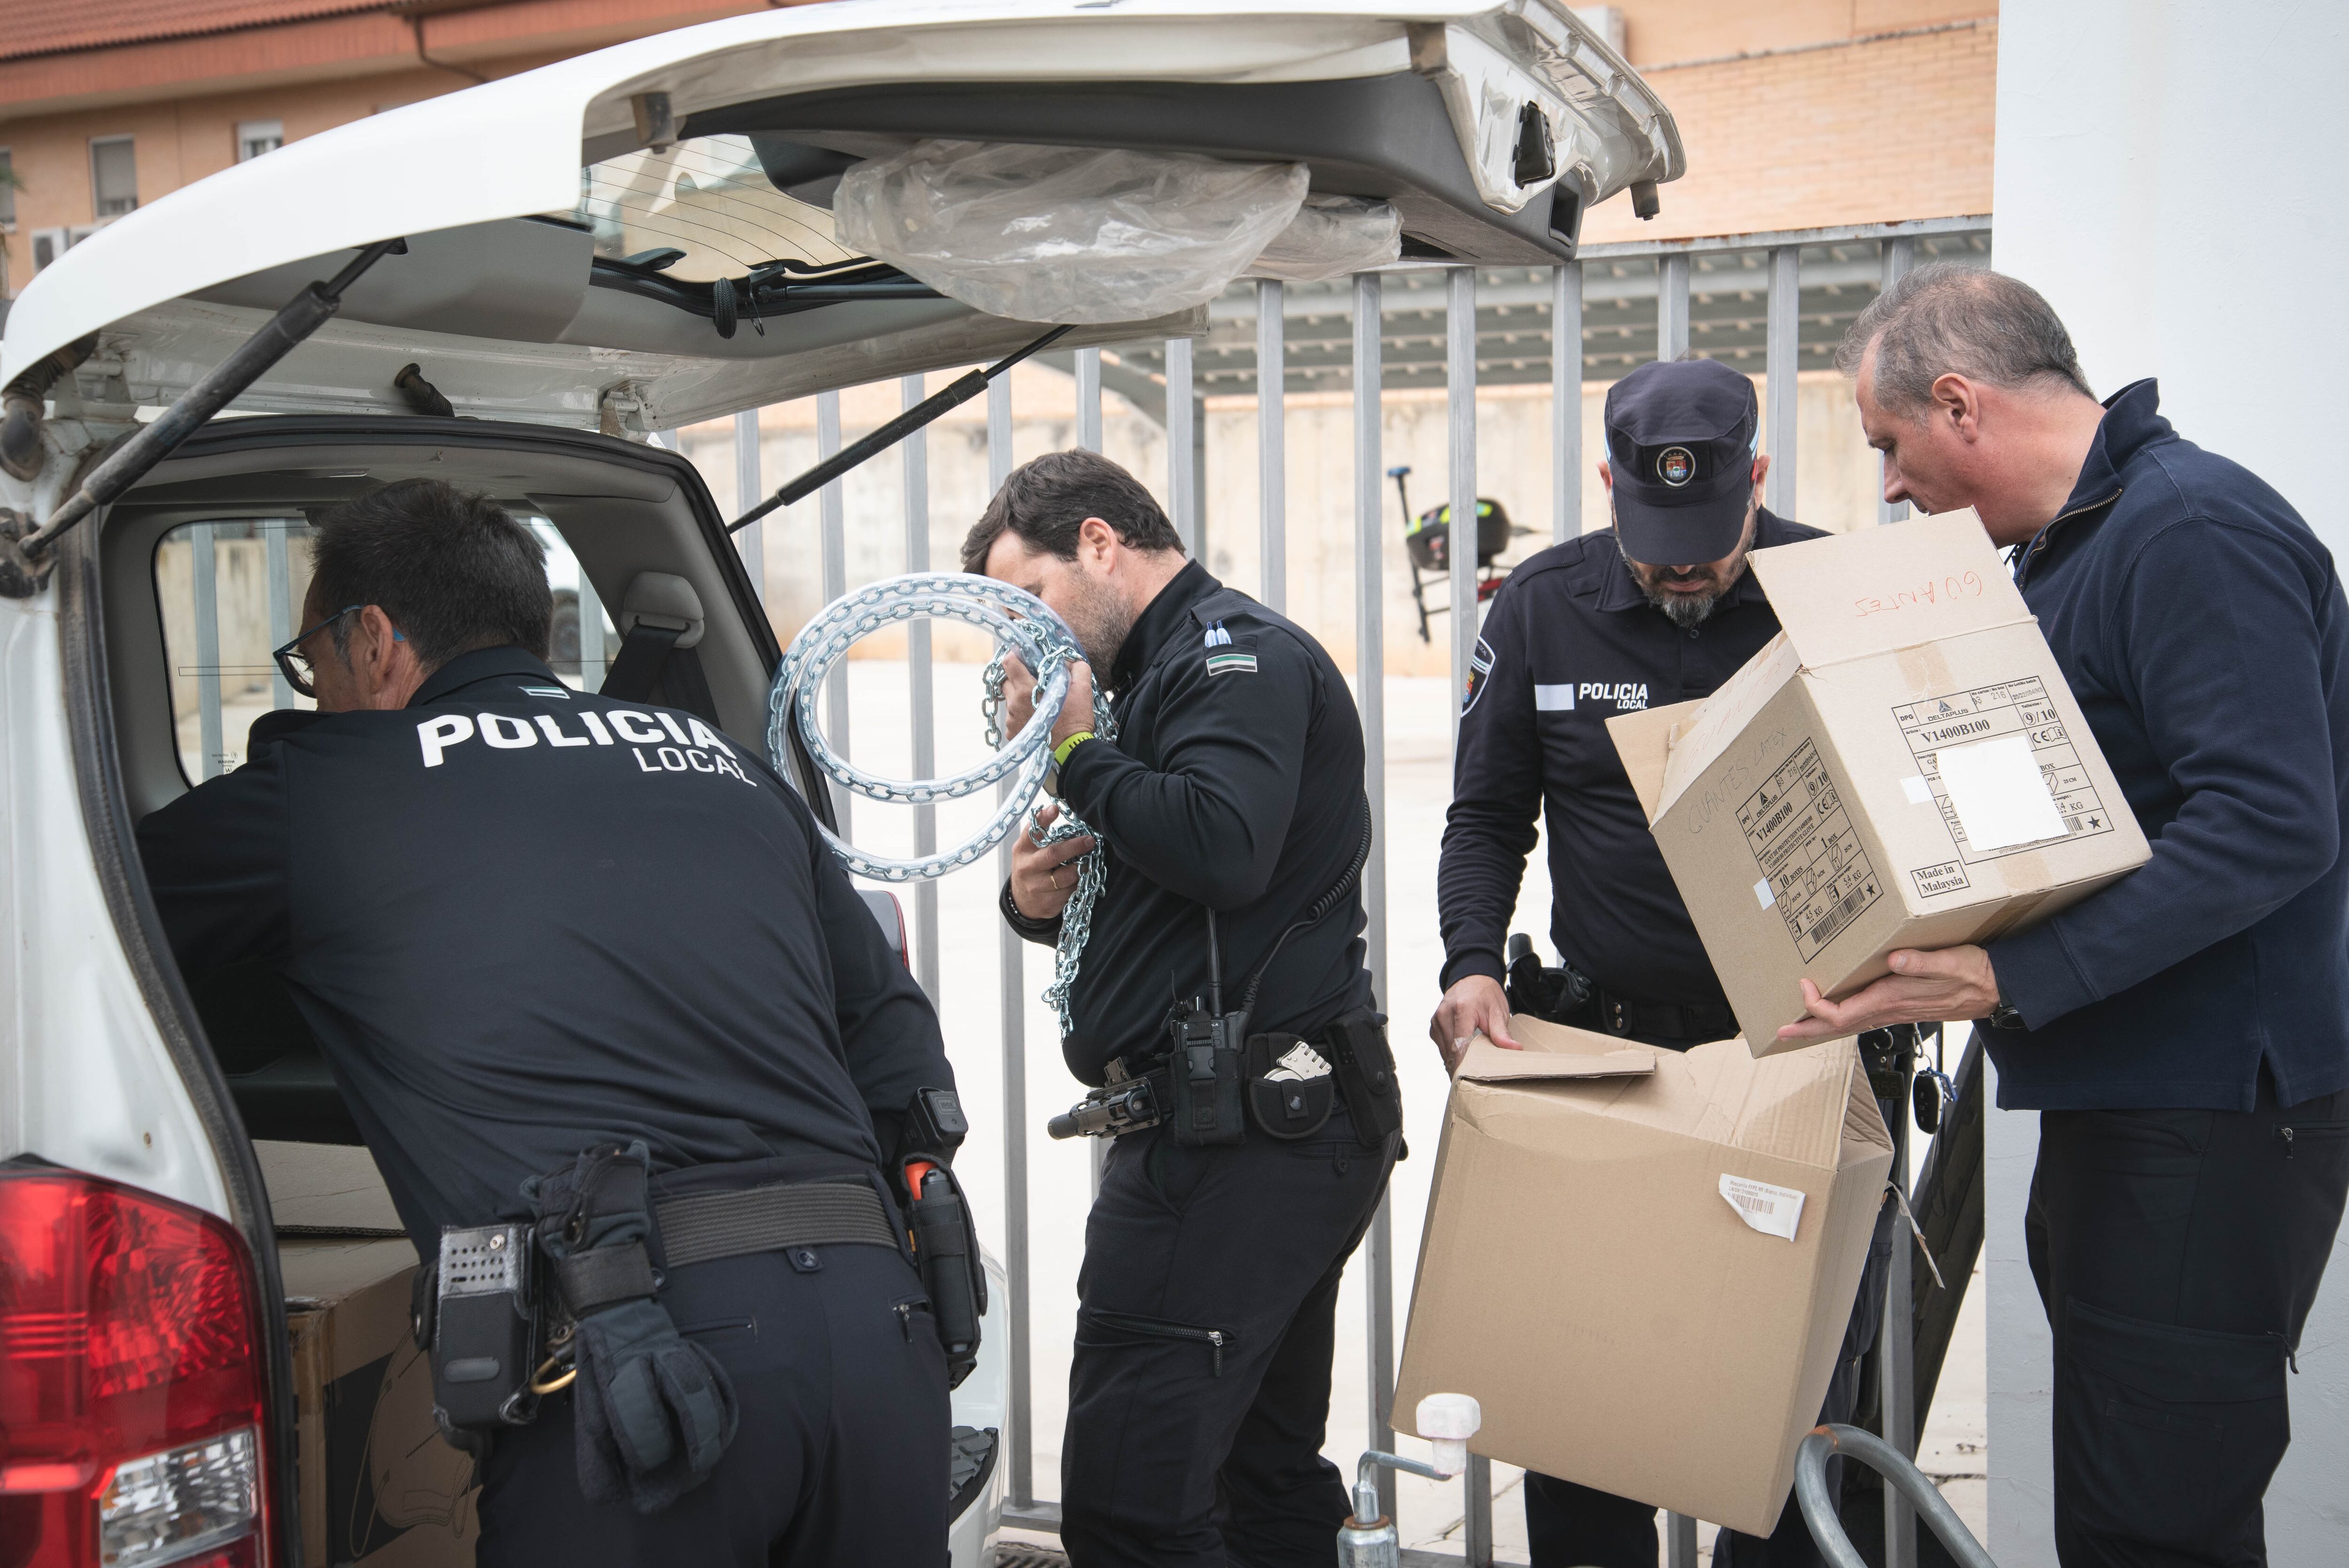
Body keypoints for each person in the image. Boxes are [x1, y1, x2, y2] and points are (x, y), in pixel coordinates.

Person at [137, 479, 961, 1567]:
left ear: (371, 638)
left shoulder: (327, 788)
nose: (319, 690)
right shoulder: (723, 764)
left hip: (640, 1366)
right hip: (880, 1342)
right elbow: (894, 1037)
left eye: (312, 662)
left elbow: (76, 933)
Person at [1780, 264, 2349, 1567]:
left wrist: (2006, 974)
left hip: (2212, 1118)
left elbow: (2272, 819)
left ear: (1959, 403)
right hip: (2132, 1094)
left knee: (2157, 1525)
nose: (1887, 486)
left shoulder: (2189, 532)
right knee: (2121, 1500)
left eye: (1889, 445)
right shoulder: (2071, 551)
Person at [1433, 357, 1898, 1568]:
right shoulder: (1539, 605)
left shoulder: (1839, 594)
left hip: (1802, 1050)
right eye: (1655, 540)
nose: (1683, 566)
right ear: (1606, 486)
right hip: (1615, 1054)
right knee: (1588, 1393)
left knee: (1791, 1406)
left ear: (1756, 479)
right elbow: (1486, 816)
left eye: (1708, 534)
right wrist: (1471, 963)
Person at [969, 449, 1401, 1568]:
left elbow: (1220, 842)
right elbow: (1160, 896)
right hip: (1249, 1131)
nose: (1025, 636)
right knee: (1257, 1479)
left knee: (1133, 1501)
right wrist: (1034, 899)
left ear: (1101, 544)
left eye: (1033, 596)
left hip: (1240, 1143)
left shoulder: (1232, 657)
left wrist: (1074, 750)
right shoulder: (1159, 680)